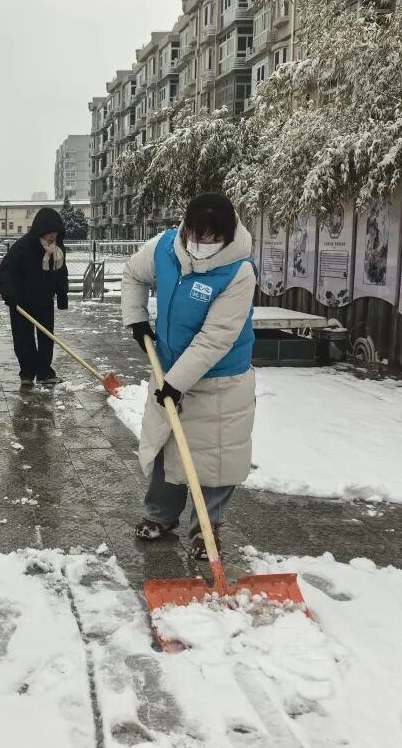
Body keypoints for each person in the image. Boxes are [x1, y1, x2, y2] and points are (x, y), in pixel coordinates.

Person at [121, 193, 257, 559]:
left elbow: (216, 338)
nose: (202, 243)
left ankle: (206, 530)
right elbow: (133, 273)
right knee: (168, 445)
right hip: (169, 366)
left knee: (215, 456)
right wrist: (137, 319)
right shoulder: (165, 246)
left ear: (227, 235)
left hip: (220, 379)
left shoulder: (238, 271)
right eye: (197, 234)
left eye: (213, 237)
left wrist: (176, 383)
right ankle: (160, 516)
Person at [0, 207, 69, 387]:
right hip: (21, 301)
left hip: (44, 300)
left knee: (46, 338)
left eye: (55, 233)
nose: (52, 236)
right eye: (49, 232)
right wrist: (9, 294)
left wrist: (62, 294)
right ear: (40, 231)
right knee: (23, 339)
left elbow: (61, 272)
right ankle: (27, 373)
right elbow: (5, 270)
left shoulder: (58, 250)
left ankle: (44, 373)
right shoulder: (23, 247)